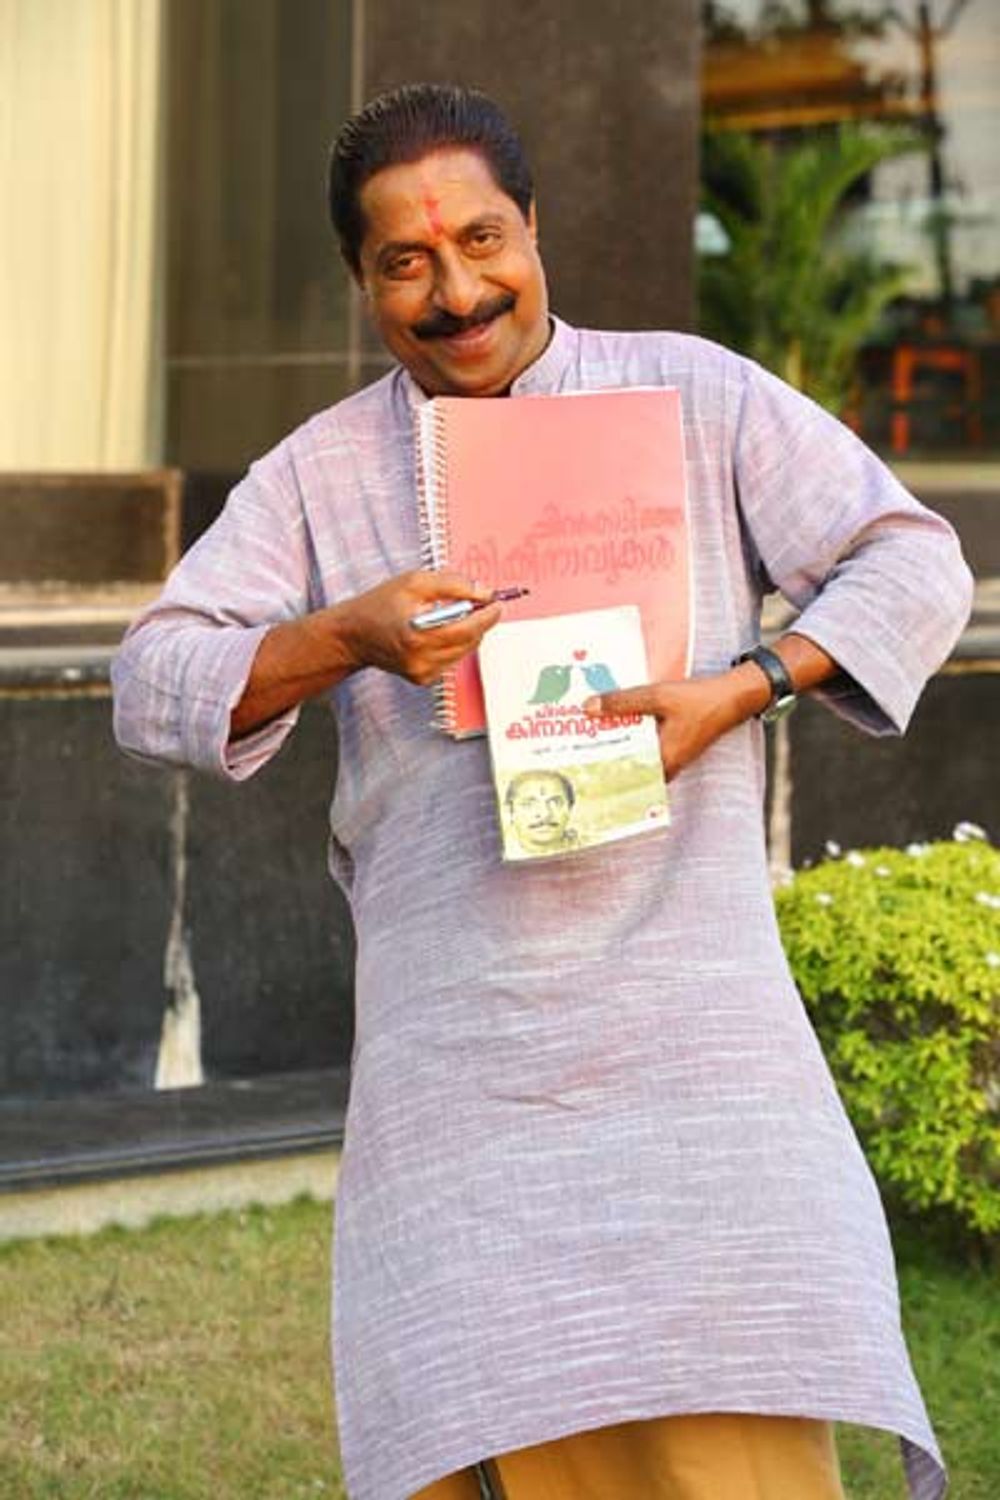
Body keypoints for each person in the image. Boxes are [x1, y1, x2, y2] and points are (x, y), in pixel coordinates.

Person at [112, 83, 972, 1500]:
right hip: (466, 1065)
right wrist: (347, 635)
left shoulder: (692, 396)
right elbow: (152, 681)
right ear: (360, 279)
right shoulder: (320, 473)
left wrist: (745, 684)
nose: (456, 293)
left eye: (481, 241)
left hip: (696, 1053)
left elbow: (914, 559)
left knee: (729, 1424)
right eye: (405, 261)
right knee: (493, 1401)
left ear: (534, 227)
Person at [505, 770, 578, 855]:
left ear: (570, 808)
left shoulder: (586, 846)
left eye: (555, 803)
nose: (545, 814)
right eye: (529, 805)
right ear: (510, 812)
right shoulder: (501, 854)